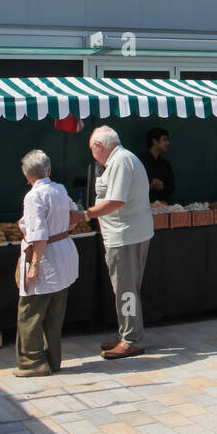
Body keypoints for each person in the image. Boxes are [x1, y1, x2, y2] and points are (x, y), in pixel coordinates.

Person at [71, 125, 153, 359]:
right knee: (125, 289)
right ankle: (127, 333)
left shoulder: (120, 162)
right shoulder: (122, 160)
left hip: (126, 236)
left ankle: (131, 339)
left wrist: (84, 215)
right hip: (125, 235)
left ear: (99, 146)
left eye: (92, 150)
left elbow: (115, 201)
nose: (93, 155)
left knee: (126, 290)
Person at [13, 149, 79, 378]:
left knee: (30, 311)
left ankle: (33, 362)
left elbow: (39, 234)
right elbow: (74, 215)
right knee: (54, 313)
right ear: (48, 170)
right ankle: (53, 360)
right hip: (63, 252)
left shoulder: (33, 197)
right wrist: (62, 230)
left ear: (26, 175)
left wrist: (34, 265)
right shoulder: (60, 189)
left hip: (46, 255)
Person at [140, 127, 175, 204]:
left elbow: (172, 187)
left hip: (163, 207)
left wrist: (162, 187)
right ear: (155, 141)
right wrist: (150, 186)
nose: (167, 143)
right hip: (143, 207)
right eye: (165, 140)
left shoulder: (165, 164)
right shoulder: (139, 162)